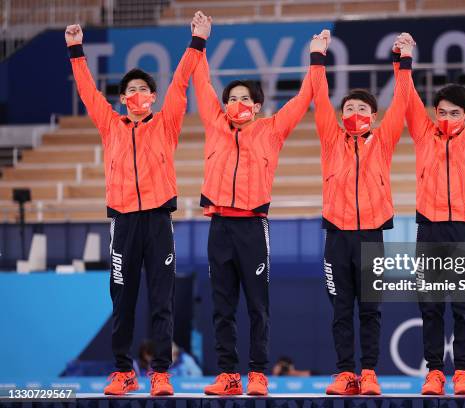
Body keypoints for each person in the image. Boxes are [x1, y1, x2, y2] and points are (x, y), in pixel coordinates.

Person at [65, 14, 208, 396]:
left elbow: (180, 84)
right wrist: (76, 51)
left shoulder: (166, 124)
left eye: (145, 89)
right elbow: (87, 93)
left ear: (153, 97)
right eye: (132, 90)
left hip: (159, 221)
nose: (138, 94)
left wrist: (197, 42)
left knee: (162, 300)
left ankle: (160, 373)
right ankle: (123, 371)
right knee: (123, 299)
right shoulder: (111, 125)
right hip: (123, 223)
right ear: (123, 98)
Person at [192, 12, 314, 396]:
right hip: (218, 227)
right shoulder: (215, 124)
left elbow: (305, 98)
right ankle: (228, 374)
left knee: (258, 306)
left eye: (245, 99)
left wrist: (317, 57)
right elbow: (200, 81)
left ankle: (258, 373)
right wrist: (200, 39)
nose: (237, 103)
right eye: (232, 99)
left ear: (258, 106)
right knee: (222, 306)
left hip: (252, 227)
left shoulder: (272, 131)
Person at [399, 32, 465, 395]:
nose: (446, 118)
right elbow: (407, 96)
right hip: (428, 229)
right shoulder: (422, 133)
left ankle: (463, 372)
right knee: (430, 307)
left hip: (464, 229)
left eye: (454, 113)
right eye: (441, 112)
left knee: (463, 307)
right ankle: (434, 372)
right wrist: (405, 58)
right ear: (434, 113)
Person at [309, 30, 413, 395]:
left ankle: (368, 373)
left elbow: (402, 103)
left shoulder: (383, 142)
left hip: (372, 236)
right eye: (349, 108)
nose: (354, 113)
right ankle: (344, 374)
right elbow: (318, 97)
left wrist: (403, 62)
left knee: (370, 311)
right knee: (340, 311)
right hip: (336, 236)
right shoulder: (330, 139)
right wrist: (317, 57)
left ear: (373, 115)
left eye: (362, 108)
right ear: (340, 116)